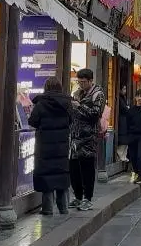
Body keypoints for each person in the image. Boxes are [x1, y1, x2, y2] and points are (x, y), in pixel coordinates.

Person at [28, 77, 72, 216]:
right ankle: (63, 208)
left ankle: (47, 209)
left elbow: (33, 121)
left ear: (46, 87)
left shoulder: (41, 104)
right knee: (61, 175)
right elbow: (71, 120)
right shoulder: (67, 104)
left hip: (44, 146)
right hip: (62, 146)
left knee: (47, 176)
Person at [70, 68, 104, 211]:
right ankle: (78, 196)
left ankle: (87, 198)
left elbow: (96, 114)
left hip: (89, 137)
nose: (81, 84)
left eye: (83, 82)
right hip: (75, 135)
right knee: (74, 168)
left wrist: (80, 106)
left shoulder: (98, 94)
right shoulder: (77, 93)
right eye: (79, 82)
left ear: (90, 81)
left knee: (87, 168)